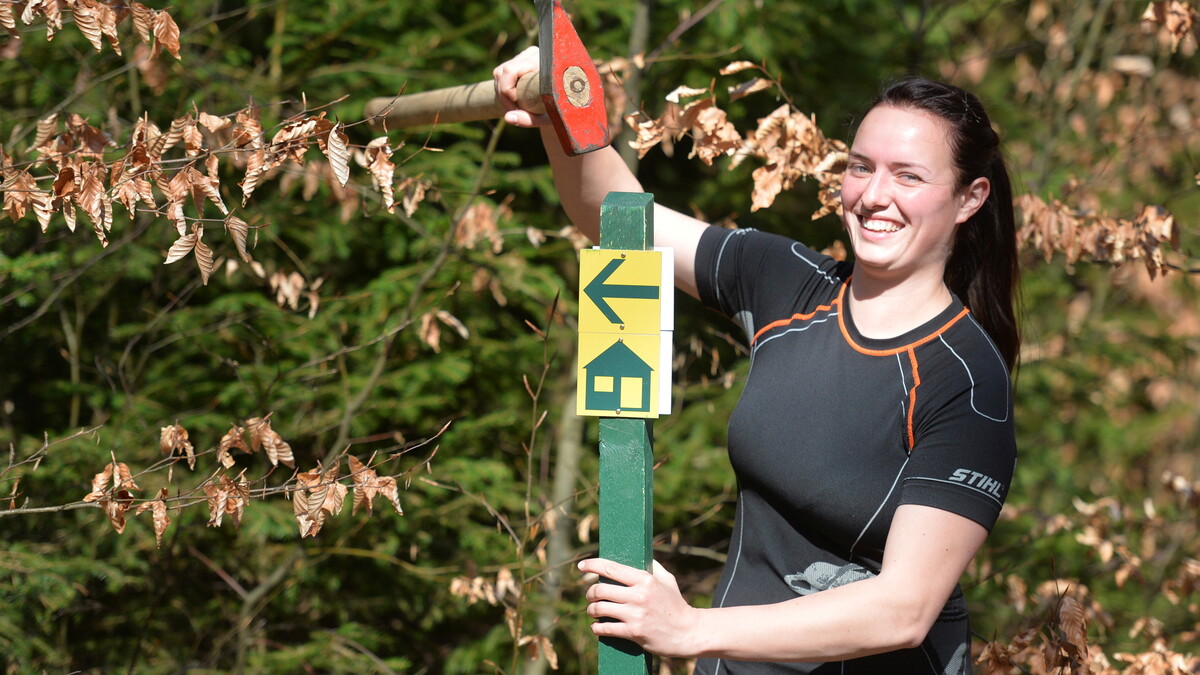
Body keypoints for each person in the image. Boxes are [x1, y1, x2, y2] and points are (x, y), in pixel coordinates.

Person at [495, 46, 1019, 674]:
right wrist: (563, 112)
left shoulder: (964, 380)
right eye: (861, 167)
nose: (875, 196)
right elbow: (616, 220)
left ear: (970, 197)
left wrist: (689, 628)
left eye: (909, 176)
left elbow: (903, 610)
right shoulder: (785, 282)